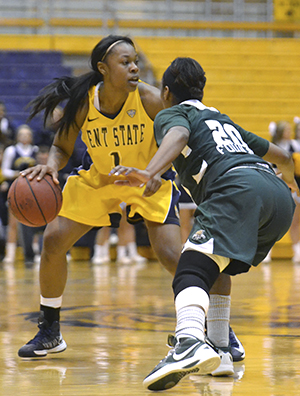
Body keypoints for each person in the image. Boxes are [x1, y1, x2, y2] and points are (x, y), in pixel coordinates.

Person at [109, 57, 297, 391]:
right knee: (216, 265)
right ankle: (221, 352)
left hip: (236, 189)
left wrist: (149, 172)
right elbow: (281, 157)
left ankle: (188, 342)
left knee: (190, 269)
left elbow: (179, 134)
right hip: (276, 197)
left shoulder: (172, 114)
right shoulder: (221, 119)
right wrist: (292, 185)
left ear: (166, 92)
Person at [16, 35, 183, 358]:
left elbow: (176, 142)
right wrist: (51, 166)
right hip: (100, 179)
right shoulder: (85, 103)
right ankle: (50, 330)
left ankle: (214, 328)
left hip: (147, 177)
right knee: (53, 241)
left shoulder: (149, 99)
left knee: (172, 256)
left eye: (135, 61)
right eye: (125, 62)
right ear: (103, 69)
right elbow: (62, 146)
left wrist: (158, 173)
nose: (135, 67)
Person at [1, 124, 38, 264]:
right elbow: (4, 171)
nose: (24, 137)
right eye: (22, 134)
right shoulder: (11, 151)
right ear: (17, 136)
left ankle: (34, 252)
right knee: (13, 223)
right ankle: (9, 255)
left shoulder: (35, 150)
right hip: (15, 190)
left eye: (27, 134)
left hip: (33, 192)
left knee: (34, 222)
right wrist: (19, 174)